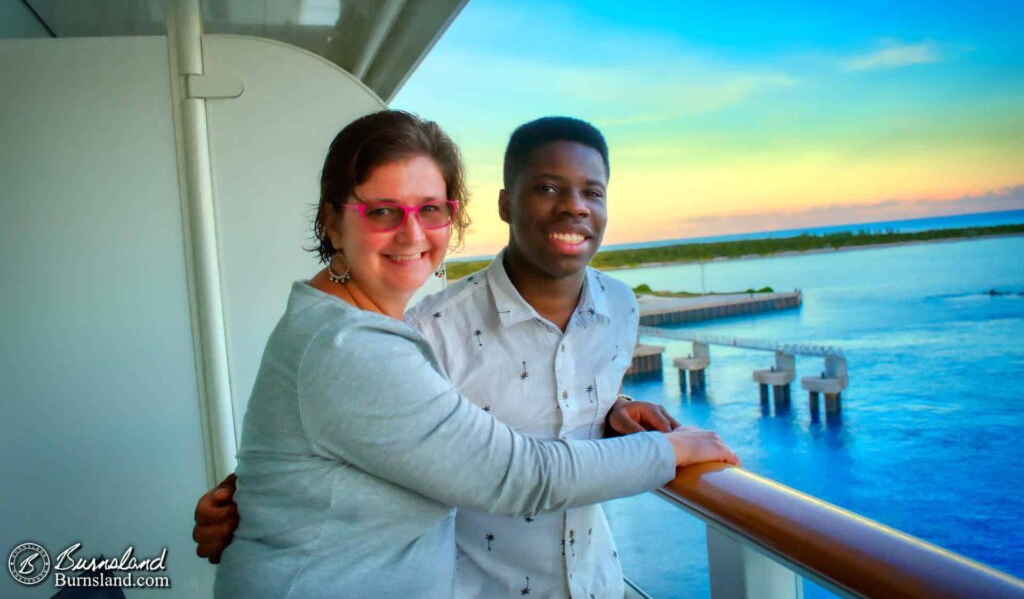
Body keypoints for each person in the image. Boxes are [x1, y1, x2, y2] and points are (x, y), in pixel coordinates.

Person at [207, 110, 739, 598]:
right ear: (332, 220)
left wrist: (611, 406)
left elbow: (337, 456)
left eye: (430, 209)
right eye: (383, 210)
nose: (412, 232)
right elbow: (517, 474)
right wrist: (672, 450)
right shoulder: (357, 343)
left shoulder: (351, 329)